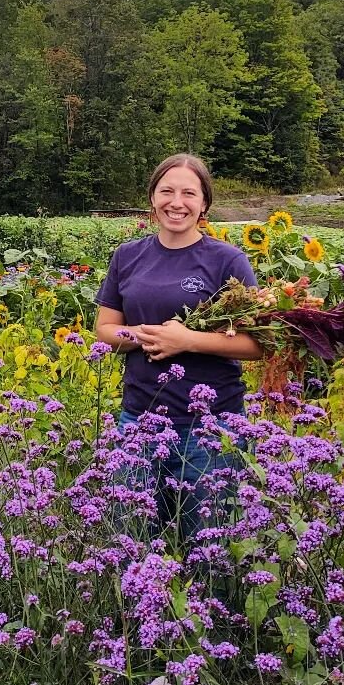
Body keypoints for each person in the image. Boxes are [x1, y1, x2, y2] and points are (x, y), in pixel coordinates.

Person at [94, 153, 262, 543]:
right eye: (166, 191)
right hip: (138, 422)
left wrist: (186, 340)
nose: (177, 202)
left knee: (210, 550)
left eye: (189, 193)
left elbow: (255, 344)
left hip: (210, 427)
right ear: (152, 198)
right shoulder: (128, 256)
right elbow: (105, 328)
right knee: (131, 543)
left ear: (204, 204)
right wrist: (144, 337)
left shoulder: (227, 261)